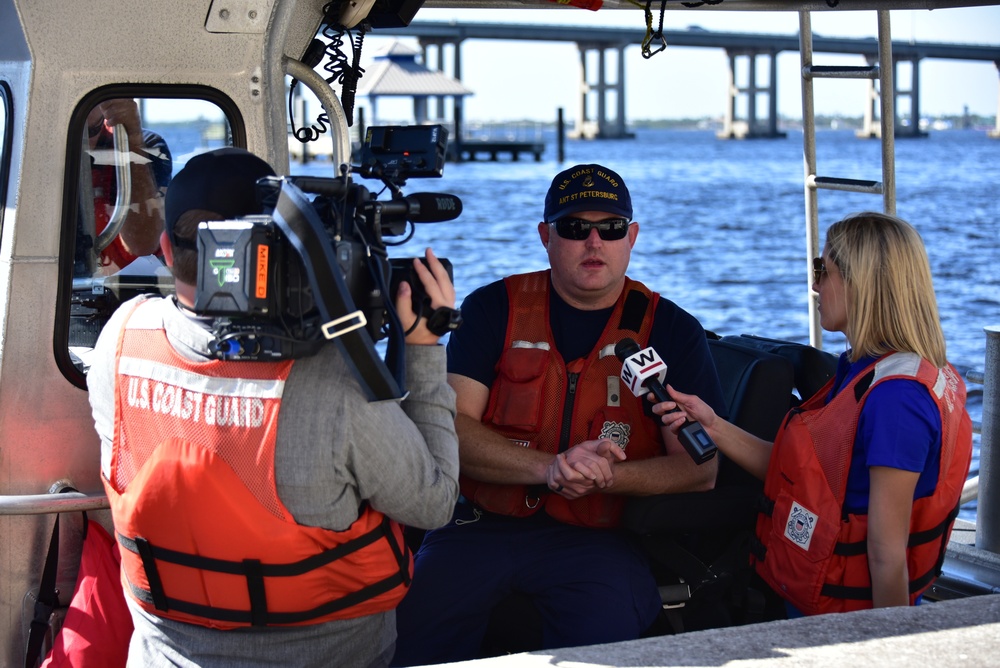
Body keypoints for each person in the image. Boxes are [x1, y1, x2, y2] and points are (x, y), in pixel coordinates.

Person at [86, 147, 461, 667]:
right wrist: (423, 349)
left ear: (168, 251)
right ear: (286, 250)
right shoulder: (331, 384)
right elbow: (435, 503)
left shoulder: (121, 339)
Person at [392, 163, 727, 665]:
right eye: (574, 228)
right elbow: (451, 428)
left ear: (631, 237)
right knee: (412, 632)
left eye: (610, 228)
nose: (594, 242)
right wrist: (551, 468)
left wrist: (601, 478)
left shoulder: (672, 329)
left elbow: (700, 468)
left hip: (600, 540)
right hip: (478, 530)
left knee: (599, 642)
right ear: (546, 236)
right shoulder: (493, 310)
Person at [657, 211, 973, 616]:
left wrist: (893, 648)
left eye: (823, 270)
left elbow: (885, 554)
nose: (814, 284)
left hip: (848, 619)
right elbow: (803, 475)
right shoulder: (866, 370)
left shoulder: (898, 401)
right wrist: (713, 426)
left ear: (861, 284)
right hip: (813, 602)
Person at [81, 98, 172, 274]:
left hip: (130, 287)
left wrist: (133, 140)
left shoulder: (150, 146)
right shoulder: (43, 153)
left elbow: (143, 244)